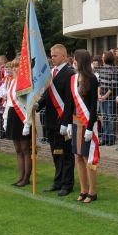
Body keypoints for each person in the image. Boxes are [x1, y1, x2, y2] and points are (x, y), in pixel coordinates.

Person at [37, 44, 75, 197]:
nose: (52, 58)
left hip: (63, 121)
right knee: (55, 152)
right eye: (51, 55)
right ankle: (58, 180)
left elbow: (69, 101)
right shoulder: (51, 73)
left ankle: (67, 183)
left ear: (64, 56)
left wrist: (66, 123)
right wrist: (38, 105)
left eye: (55, 56)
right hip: (51, 120)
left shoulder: (70, 73)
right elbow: (47, 95)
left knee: (66, 153)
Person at [70, 50, 100, 203]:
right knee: (78, 156)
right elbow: (71, 103)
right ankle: (83, 189)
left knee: (88, 157)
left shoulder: (92, 79)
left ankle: (92, 191)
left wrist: (90, 126)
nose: (73, 61)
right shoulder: (74, 79)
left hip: (87, 122)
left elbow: (94, 106)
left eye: (75, 59)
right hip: (75, 122)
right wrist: (68, 123)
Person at [3, 60, 32, 187]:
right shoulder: (12, 82)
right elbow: (9, 102)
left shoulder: (25, 84)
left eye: (17, 67)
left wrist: (27, 123)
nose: (15, 69)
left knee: (26, 149)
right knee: (18, 149)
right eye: (13, 67)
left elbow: (28, 104)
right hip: (12, 115)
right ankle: (20, 176)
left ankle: (26, 178)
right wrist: (5, 119)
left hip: (22, 117)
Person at [97, 51, 117, 146]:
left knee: (110, 118)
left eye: (103, 56)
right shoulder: (101, 69)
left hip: (109, 97)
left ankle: (111, 138)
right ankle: (105, 138)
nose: (102, 58)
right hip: (101, 97)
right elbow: (99, 83)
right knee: (104, 118)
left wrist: (105, 96)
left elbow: (112, 85)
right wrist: (99, 95)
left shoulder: (113, 70)